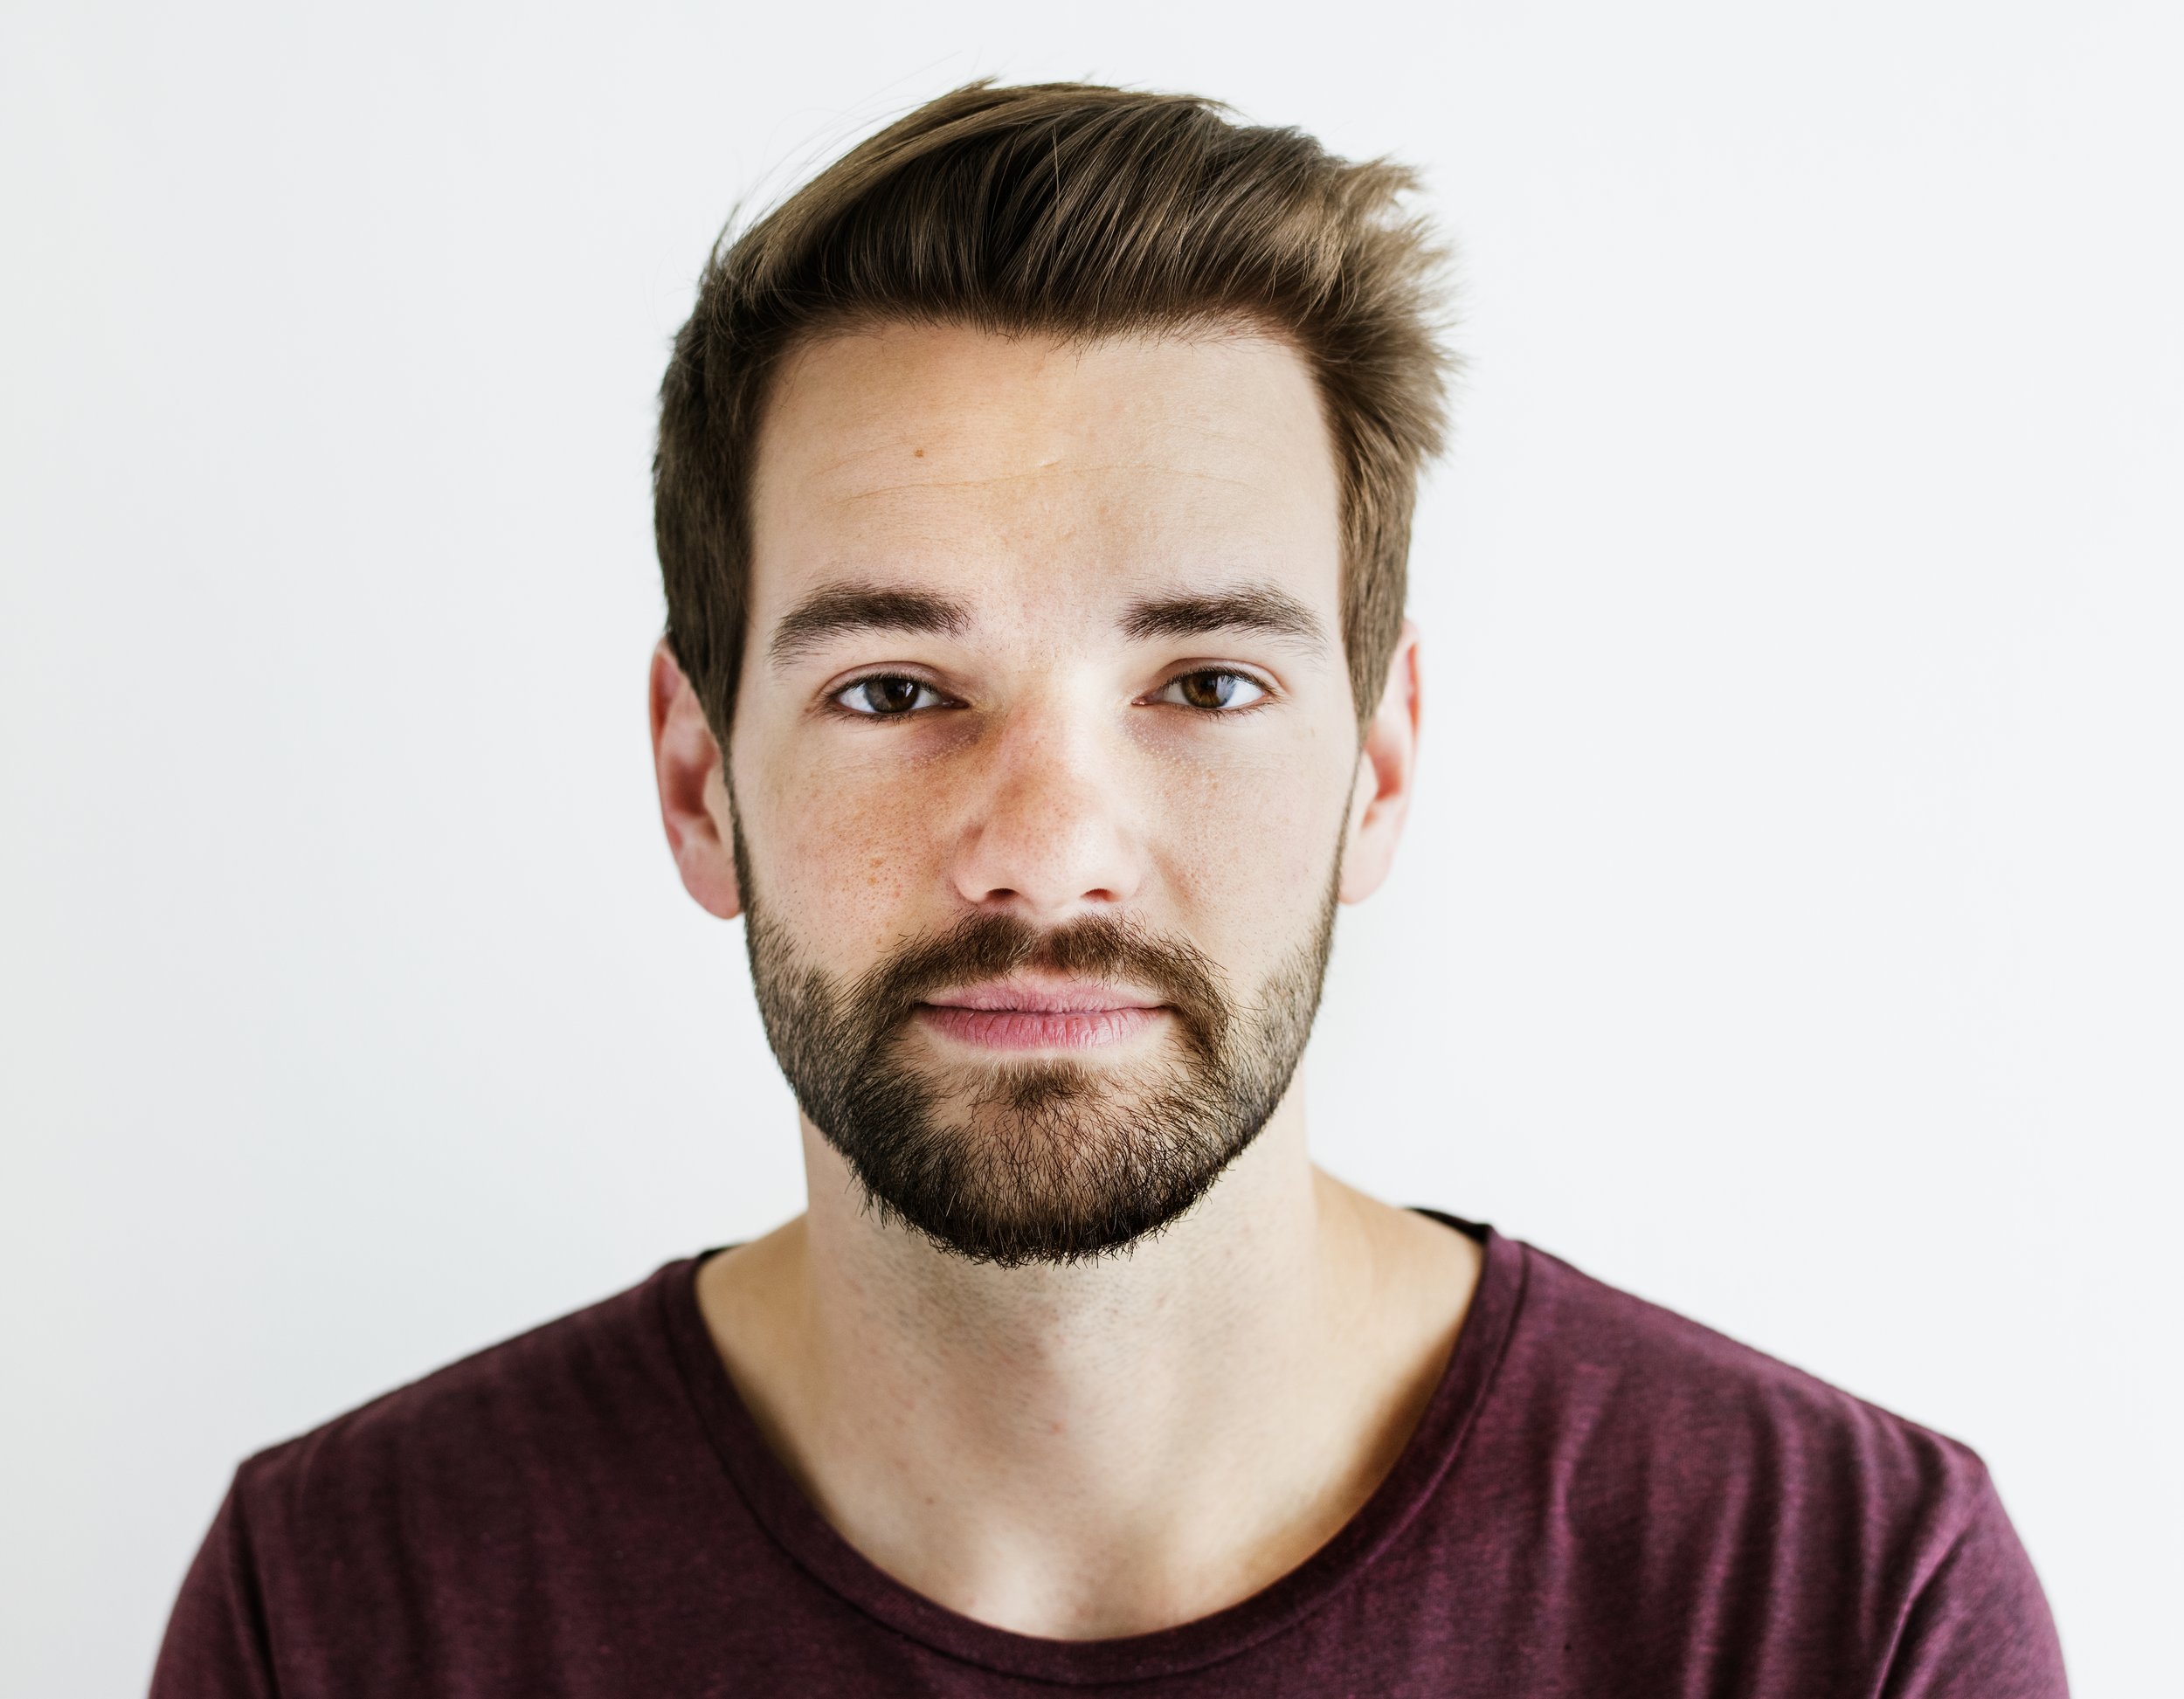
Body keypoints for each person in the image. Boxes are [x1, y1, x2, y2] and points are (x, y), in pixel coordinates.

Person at [151, 79, 2069, 1696]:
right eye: (893, 689)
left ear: (1376, 766)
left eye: (1205, 685)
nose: (1045, 847)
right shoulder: (343, 1610)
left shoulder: (1835, 1604)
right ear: (696, 780)